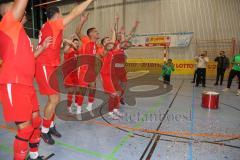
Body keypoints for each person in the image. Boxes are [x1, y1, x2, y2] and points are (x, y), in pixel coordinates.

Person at [35, 0, 94, 145]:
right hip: (44, 65)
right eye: (61, 15)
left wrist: (67, 40)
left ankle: (50, 125)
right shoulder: (54, 24)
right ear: (57, 15)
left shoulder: (48, 26)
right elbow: (75, 12)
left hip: (51, 65)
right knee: (53, 99)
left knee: (55, 98)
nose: (62, 17)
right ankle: (44, 130)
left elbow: (57, 43)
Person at [0, 1, 51, 159]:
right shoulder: (7, 24)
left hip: (27, 85)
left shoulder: (21, 34)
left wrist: (41, 49)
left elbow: (29, 58)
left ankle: (33, 156)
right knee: (26, 129)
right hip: (14, 83)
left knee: (36, 122)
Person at [74, 13, 100, 116]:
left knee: (93, 88)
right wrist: (82, 20)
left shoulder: (96, 46)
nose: (98, 33)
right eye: (95, 31)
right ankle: (79, 108)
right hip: (83, 69)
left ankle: (89, 105)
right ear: (90, 34)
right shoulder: (86, 40)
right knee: (82, 90)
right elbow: (77, 31)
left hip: (91, 70)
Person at [100, 30, 125, 120]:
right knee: (112, 94)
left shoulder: (112, 52)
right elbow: (111, 44)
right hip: (106, 75)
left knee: (118, 93)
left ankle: (115, 109)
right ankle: (110, 112)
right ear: (103, 44)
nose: (109, 41)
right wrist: (114, 32)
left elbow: (121, 45)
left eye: (109, 40)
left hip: (113, 75)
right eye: (106, 40)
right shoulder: (103, 50)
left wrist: (122, 35)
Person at [63, 38, 80, 113]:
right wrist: (69, 41)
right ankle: (69, 106)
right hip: (68, 74)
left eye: (77, 43)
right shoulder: (68, 50)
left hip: (75, 73)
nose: (76, 44)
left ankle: (76, 103)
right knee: (71, 91)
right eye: (75, 43)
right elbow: (65, 50)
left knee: (78, 90)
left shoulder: (77, 52)